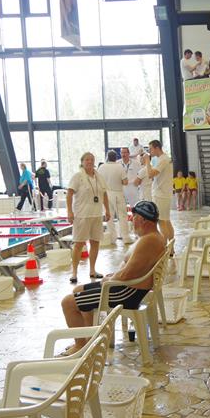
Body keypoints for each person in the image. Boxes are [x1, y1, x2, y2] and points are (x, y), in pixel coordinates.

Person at [59, 201, 166, 356]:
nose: (132, 220)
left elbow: (127, 275)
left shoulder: (149, 240)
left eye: (135, 216)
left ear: (143, 220)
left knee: (68, 303)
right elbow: (132, 270)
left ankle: (80, 347)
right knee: (77, 290)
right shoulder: (152, 237)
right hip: (128, 287)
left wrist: (109, 280)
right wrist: (113, 276)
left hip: (127, 293)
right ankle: (88, 340)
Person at [67, 152, 111, 284]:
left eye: (92, 159)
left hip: (96, 214)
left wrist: (107, 210)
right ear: (82, 162)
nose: (90, 162)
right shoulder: (77, 176)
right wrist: (69, 212)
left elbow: (104, 194)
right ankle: (74, 272)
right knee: (79, 244)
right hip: (82, 215)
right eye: (87, 160)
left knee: (95, 243)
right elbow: (69, 194)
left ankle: (92, 270)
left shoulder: (98, 177)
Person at [98, 150, 132, 243]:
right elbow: (125, 182)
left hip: (106, 194)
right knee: (122, 216)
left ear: (107, 157)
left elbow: (98, 182)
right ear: (116, 158)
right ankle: (125, 237)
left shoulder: (101, 167)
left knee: (109, 216)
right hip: (118, 193)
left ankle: (112, 238)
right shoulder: (119, 167)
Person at [145, 140, 174, 244]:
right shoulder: (164, 159)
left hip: (161, 195)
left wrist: (147, 161)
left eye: (150, 149)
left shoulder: (163, 159)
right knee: (166, 220)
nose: (149, 151)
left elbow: (150, 174)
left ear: (157, 148)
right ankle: (171, 248)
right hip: (164, 193)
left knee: (161, 221)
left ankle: (164, 247)